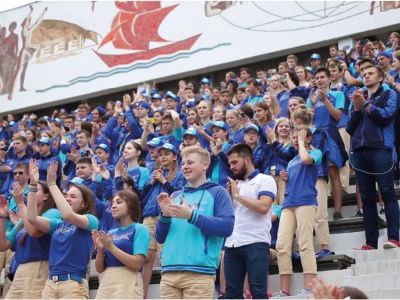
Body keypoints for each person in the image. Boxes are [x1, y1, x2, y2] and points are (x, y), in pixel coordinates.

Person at [155, 145, 234, 299]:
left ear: (205, 165)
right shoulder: (175, 195)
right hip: (169, 273)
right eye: (183, 163)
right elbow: (160, 237)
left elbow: (227, 227)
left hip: (199, 274)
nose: (185, 167)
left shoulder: (218, 192)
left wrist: (192, 215)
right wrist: (164, 215)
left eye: (190, 163)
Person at [26, 161, 99, 299]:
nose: (67, 198)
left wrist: (52, 184)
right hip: (50, 284)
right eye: (66, 195)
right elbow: (32, 218)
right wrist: (33, 185)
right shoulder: (58, 224)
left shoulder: (91, 220)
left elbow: (68, 215)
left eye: (73, 196)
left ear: (84, 204)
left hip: (73, 285)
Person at [346, 65, 400, 249]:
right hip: (360, 151)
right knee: (367, 197)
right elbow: (349, 128)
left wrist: (366, 105)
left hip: (381, 148)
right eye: (364, 74)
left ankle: (394, 238)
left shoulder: (389, 94)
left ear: (381, 77)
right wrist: (356, 108)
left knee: (387, 192)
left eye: (370, 73)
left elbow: (386, 116)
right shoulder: (358, 97)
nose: (366, 76)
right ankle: (371, 242)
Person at [0, 160, 60, 299]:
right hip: (20, 271)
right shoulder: (24, 219)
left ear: (46, 196)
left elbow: (34, 232)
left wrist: (20, 203)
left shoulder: (53, 213)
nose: (28, 194)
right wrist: (2, 217)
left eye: (35, 190)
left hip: (39, 269)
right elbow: (3, 245)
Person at [224, 143, 277, 299]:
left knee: (258, 292)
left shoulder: (265, 179)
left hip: (256, 242)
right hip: (232, 243)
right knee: (231, 294)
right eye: (230, 164)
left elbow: (264, 207)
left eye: (235, 162)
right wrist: (230, 196)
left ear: (247, 160)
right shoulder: (235, 185)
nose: (231, 167)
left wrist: (237, 196)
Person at [275, 128, 322, 297]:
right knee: (282, 246)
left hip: (306, 202)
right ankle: (285, 291)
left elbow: (306, 159)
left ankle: (310, 287)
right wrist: (286, 179)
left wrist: (302, 143)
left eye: (299, 137)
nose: (295, 140)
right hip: (289, 204)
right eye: (293, 137)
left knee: (304, 243)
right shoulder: (291, 161)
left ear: (309, 138)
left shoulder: (315, 152)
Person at [93, 190, 150, 299]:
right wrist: (100, 250)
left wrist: (111, 247)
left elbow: (137, 264)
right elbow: (100, 269)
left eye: (119, 202)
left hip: (128, 282)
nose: (113, 206)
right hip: (107, 282)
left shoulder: (140, 228)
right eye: (112, 203)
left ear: (131, 205)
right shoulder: (111, 232)